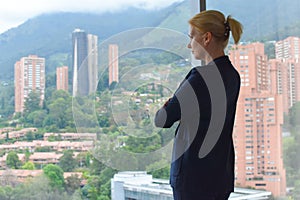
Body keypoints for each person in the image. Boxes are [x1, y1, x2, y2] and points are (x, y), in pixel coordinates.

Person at [154, 10, 243, 200]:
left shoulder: (200, 78)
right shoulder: (233, 76)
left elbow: (163, 119)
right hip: (220, 176)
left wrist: (167, 105)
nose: (189, 44)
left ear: (206, 38)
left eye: (191, 37)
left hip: (192, 178)